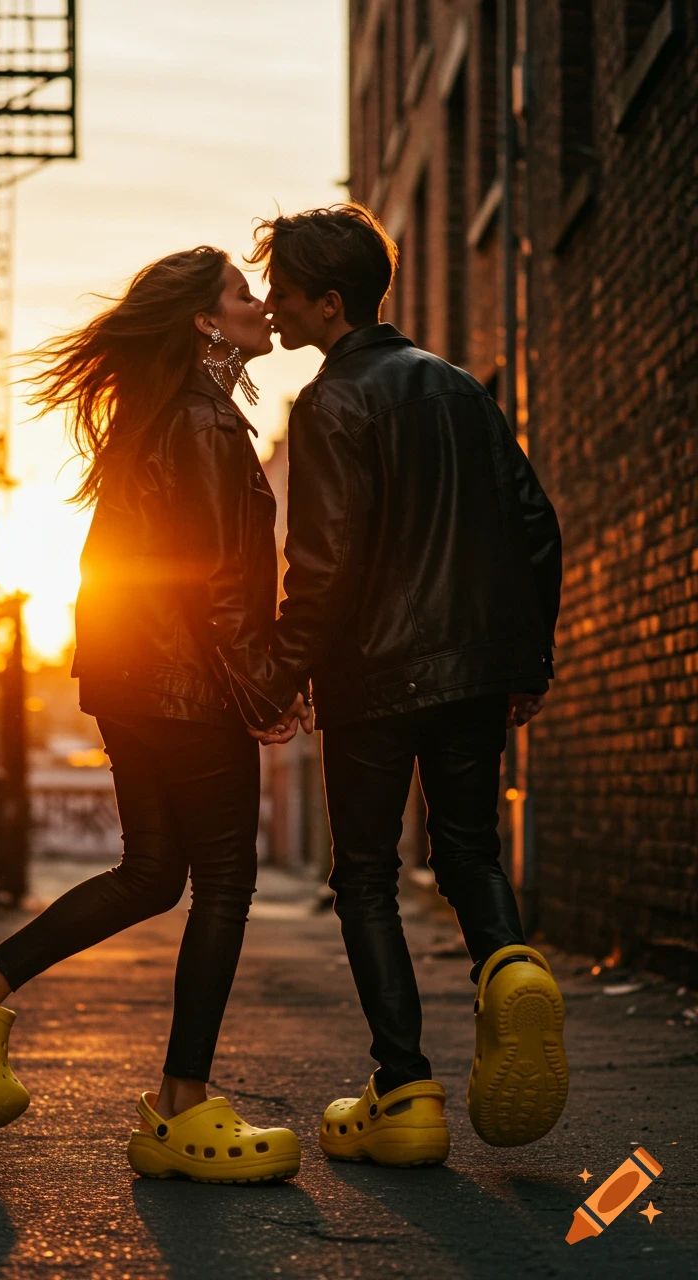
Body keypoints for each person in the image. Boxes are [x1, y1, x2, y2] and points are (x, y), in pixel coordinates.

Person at [0, 246, 310, 1184]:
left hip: (133, 679)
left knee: (154, 872)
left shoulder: (160, 418)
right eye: (243, 296)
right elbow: (214, 584)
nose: (259, 307)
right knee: (227, 882)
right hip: (187, 682)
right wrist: (265, 688)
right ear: (207, 321)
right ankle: (182, 1107)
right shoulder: (205, 425)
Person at [247, 204, 568, 1164]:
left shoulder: (331, 402)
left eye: (286, 293)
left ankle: (406, 1092)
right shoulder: (458, 386)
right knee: (468, 849)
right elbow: (535, 524)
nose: (272, 305)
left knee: (369, 876)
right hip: (475, 671)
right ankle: (508, 963)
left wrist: (277, 675)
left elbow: (326, 566)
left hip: (375, 680)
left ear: (329, 303)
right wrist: (526, 662)